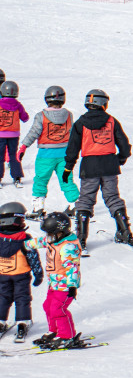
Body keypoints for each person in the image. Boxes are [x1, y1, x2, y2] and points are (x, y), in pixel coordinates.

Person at [63, 89, 133, 249]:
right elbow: (124, 143)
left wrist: (68, 168)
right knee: (113, 198)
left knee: (86, 199)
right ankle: (125, 233)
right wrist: (120, 159)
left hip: (89, 166)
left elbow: (73, 147)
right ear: (103, 104)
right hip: (109, 165)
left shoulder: (80, 123)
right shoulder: (111, 121)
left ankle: (81, 238)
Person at [18, 86, 79, 217]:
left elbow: (34, 132)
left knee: (41, 180)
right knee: (67, 180)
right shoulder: (69, 115)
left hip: (46, 155)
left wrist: (23, 147)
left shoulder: (41, 116)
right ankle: (75, 205)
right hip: (64, 154)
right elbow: (72, 132)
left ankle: (38, 208)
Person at [31, 211, 84, 349]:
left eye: (51, 234)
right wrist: (23, 245)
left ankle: (67, 336)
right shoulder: (54, 239)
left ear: (60, 232)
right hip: (54, 284)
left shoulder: (68, 247)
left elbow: (72, 267)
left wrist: (72, 286)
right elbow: (40, 242)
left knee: (57, 309)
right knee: (47, 306)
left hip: (66, 285)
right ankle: (54, 331)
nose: (48, 237)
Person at [0, 202, 43, 342]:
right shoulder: (25, 239)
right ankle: (22, 322)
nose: (23, 222)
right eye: (22, 219)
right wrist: (38, 274)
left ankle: (1, 321)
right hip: (21, 276)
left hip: (2, 275)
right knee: (22, 298)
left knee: (3, 297)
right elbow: (33, 258)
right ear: (15, 220)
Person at [0, 82, 28, 188]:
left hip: (0, 135)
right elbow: (25, 118)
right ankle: (17, 177)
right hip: (14, 135)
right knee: (13, 156)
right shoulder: (17, 105)